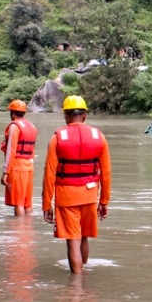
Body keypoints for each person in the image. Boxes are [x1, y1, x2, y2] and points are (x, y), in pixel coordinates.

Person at [42, 96, 111, 274]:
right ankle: (84, 278)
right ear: (84, 115)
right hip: (90, 195)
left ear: (65, 115)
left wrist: (46, 204)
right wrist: (104, 201)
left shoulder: (57, 138)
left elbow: (49, 174)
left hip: (66, 196)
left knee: (73, 239)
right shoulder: (99, 137)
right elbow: (106, 173)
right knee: (84, 236)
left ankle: (76, 286)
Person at [0, 99, 38, 216]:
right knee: (27, 203)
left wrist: (5, 172)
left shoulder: (14, 127)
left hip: (17, 168)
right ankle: (27, 228)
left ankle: (19, 230)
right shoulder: (32, 126)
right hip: (29, 167)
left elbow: (11, 150)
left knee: (18, 203)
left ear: (12, 112)